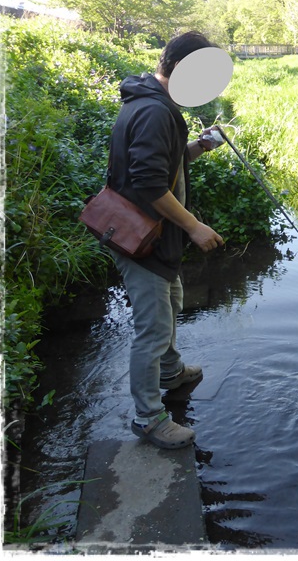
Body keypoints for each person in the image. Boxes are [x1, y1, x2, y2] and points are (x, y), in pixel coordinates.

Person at [108, 31, 228, 449]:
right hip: (142, 238)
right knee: (153, 330)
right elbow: (147, 184)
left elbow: (166, 162)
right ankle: (148, 418)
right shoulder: (156, 112)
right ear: (177, 69)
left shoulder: (154, 103)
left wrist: (197, 146)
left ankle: (172, 373)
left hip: (157, 236)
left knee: (171, 301)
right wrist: (194, 226)